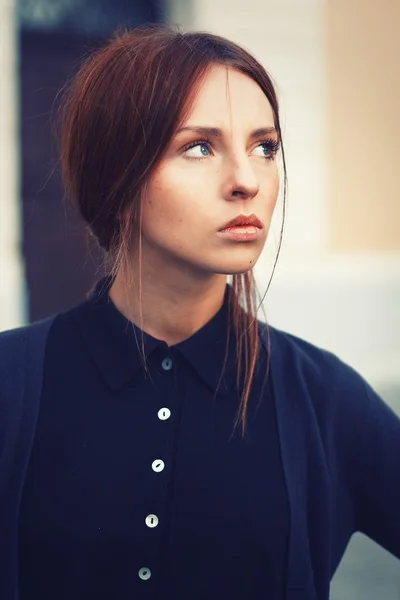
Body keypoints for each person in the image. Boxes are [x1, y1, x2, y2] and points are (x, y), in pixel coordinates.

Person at [0, 24, 399, 600]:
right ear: (117, 174)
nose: (246, 181)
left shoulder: (322, 398)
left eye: (265, 147)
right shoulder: (13, 384)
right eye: (199, 147)